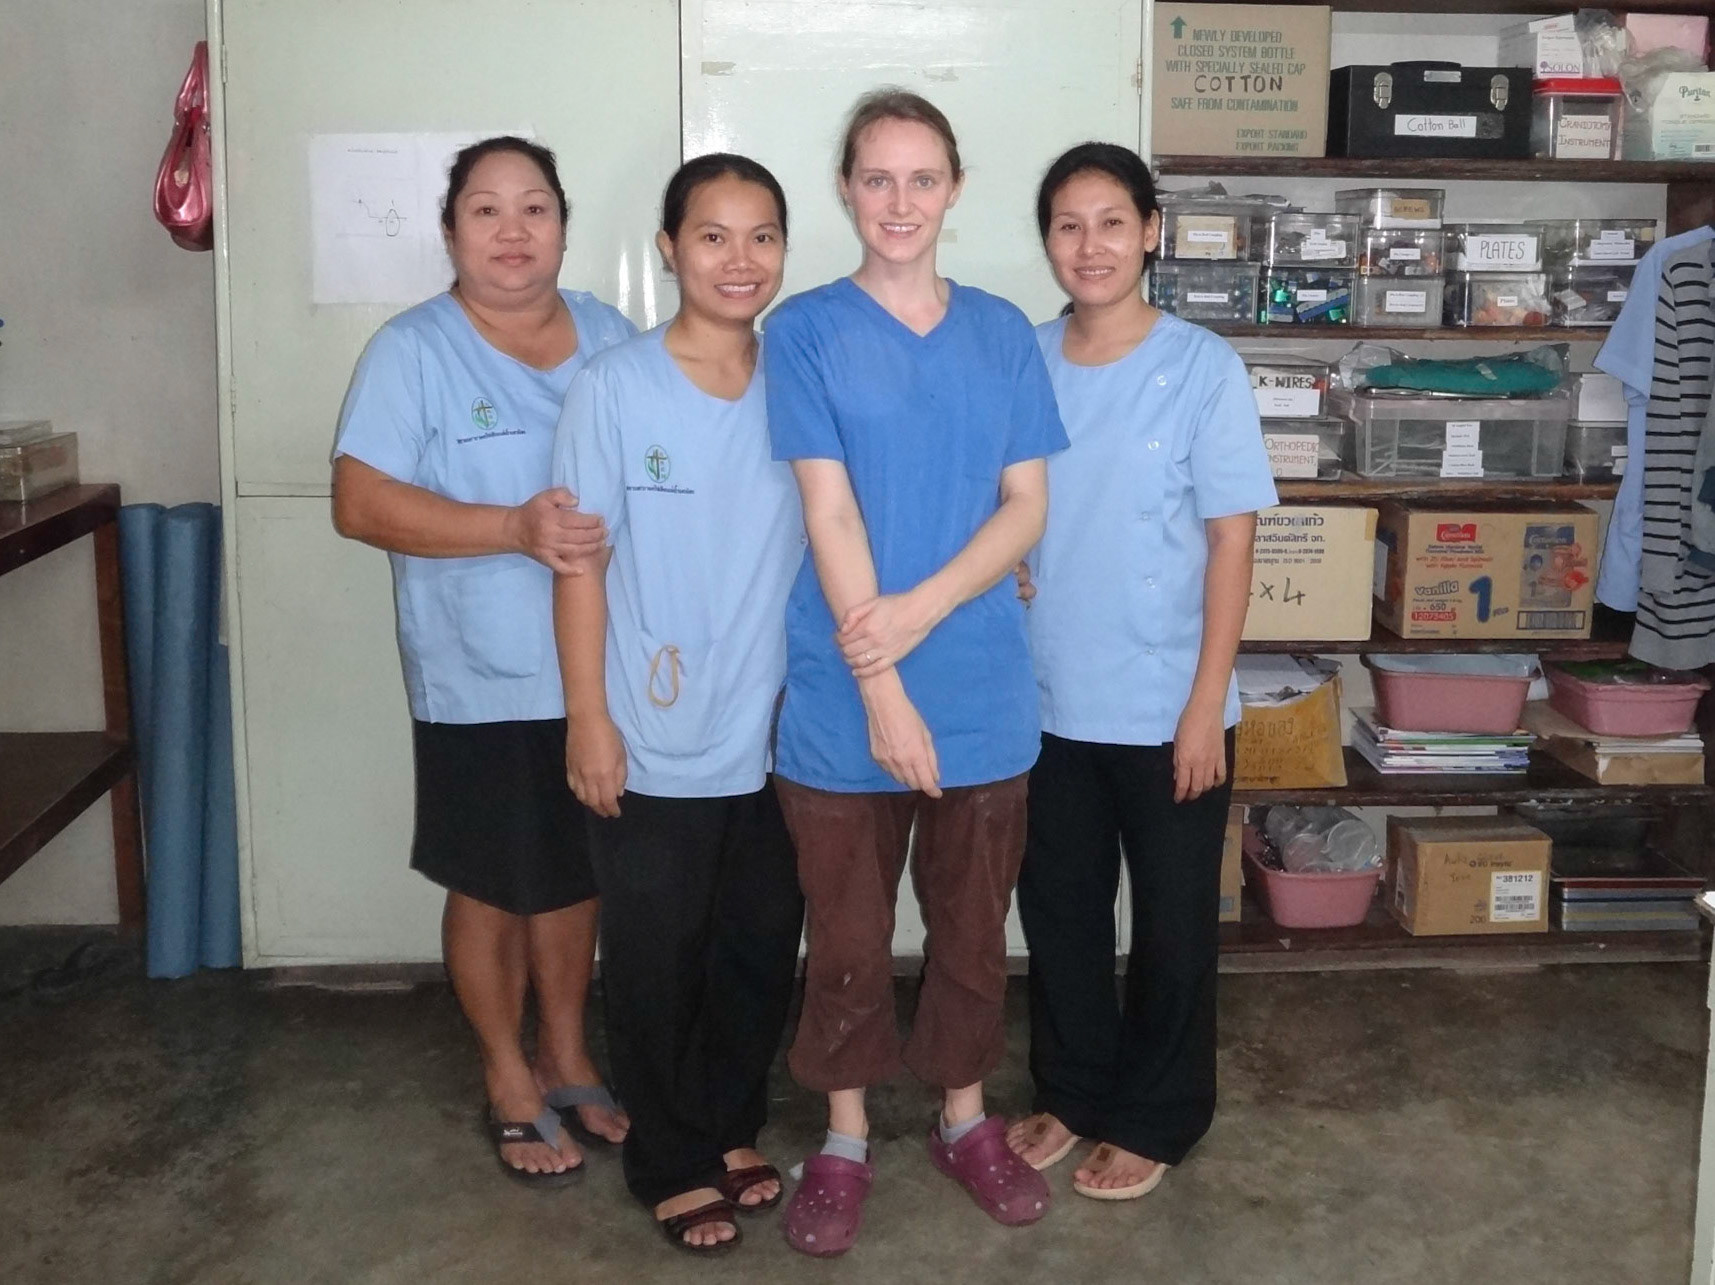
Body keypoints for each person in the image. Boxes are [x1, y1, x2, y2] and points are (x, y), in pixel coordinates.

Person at [763, 90, 1069, 1258]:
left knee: (970, 931)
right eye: (877, 178)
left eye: (922, 178)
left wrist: (924, 611)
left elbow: (1024, 505)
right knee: (845, 938)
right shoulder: (803, 331)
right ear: (846, 188)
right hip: (842, 695)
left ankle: (960, 1119)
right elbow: (828, 510)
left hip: (982, 689)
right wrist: (881, 688)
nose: (899, 201)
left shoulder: (1001, 333)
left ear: (954, 188)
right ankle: (842, 1139)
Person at [330, 135, 632, 1186]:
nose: (513, 231)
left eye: (535, 207)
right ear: (452, 230)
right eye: (486, 210)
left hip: (599, 670)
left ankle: (567, 1051)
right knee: (492, 877)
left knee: (575, 871)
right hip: (480, 672)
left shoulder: (610, 334)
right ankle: (506, 1069)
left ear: (564, 225)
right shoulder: (412, 350)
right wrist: (509, 527)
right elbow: (359, 502)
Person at [1005, 142, 1275, 1201]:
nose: (1090, 245)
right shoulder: (1022, 356)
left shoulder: (1202, 366)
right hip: (1045, 699)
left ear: (1150, 231)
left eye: (1112, 221)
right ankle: (1073, 1092)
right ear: (1046, 240)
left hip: (1169, 704)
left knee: (1170, 925)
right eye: (1067, 225)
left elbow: (1231, 540)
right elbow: (1000, 498)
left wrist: (1204, 705)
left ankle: (1159, 1115)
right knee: (1061, 914)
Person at [551, 153, 805, 1256]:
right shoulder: (614, 387)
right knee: (657, 953)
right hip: (651, 726)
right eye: (712, 235)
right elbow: (579, 562)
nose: (738, 260)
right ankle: (667, 1156)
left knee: (757, 940)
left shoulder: (800, 376)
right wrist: (587, 718)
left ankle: (729, 1123)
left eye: (761, 236)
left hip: (781, 726)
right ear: (669, 249)